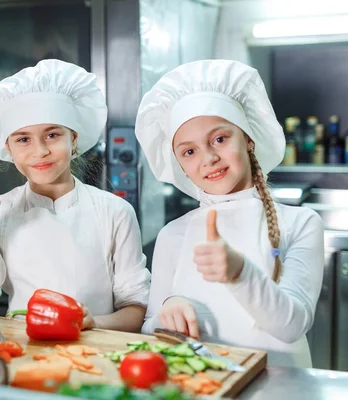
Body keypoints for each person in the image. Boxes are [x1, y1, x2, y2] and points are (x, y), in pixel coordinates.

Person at [136, 59, 324, 367]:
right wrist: (168, 310)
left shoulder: (301, 223)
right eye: (189, 151)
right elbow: (151, 327)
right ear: (179, 165)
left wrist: (239, 271)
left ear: (248, 139)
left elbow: (292, 325)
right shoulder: (173, 235)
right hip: (202, 386)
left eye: (220, 139)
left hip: (280, 387)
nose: (208, 158)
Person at [0, 59, 150, 332]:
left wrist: (90, 324)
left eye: (52, 134)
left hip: (93, 354)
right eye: (23, 139)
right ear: (7, 147)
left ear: (74, 138)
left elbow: (136, 310)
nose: (40, 151)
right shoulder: (2, 212)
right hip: (25, 354)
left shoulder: (114, 212)